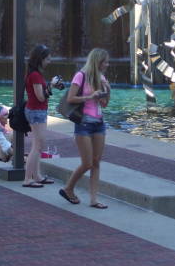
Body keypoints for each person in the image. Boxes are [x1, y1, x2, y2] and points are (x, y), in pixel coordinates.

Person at [59, 48, 111, 208]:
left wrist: (107, 90)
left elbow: (104, 104)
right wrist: (89, 96)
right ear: (98, 62)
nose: (107, 65)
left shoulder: (101, 78)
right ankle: (68, 188)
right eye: (105, 62)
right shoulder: (80, 76)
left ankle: (94, 199)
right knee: (87, 163)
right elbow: (71, 98)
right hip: (83, 124)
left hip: (99, 124)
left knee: (96, 162)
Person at [23, 45, 55, 188]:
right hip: (36, 111)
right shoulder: (35, 75)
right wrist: (51, 86)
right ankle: (28, 179)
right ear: (40, 59)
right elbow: (41, 97)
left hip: (37, 111)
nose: (49, 61)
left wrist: (49, 86)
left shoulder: (35, 73)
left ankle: (37, 176)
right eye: (47, 59)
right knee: (37, 146)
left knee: (39, 145)